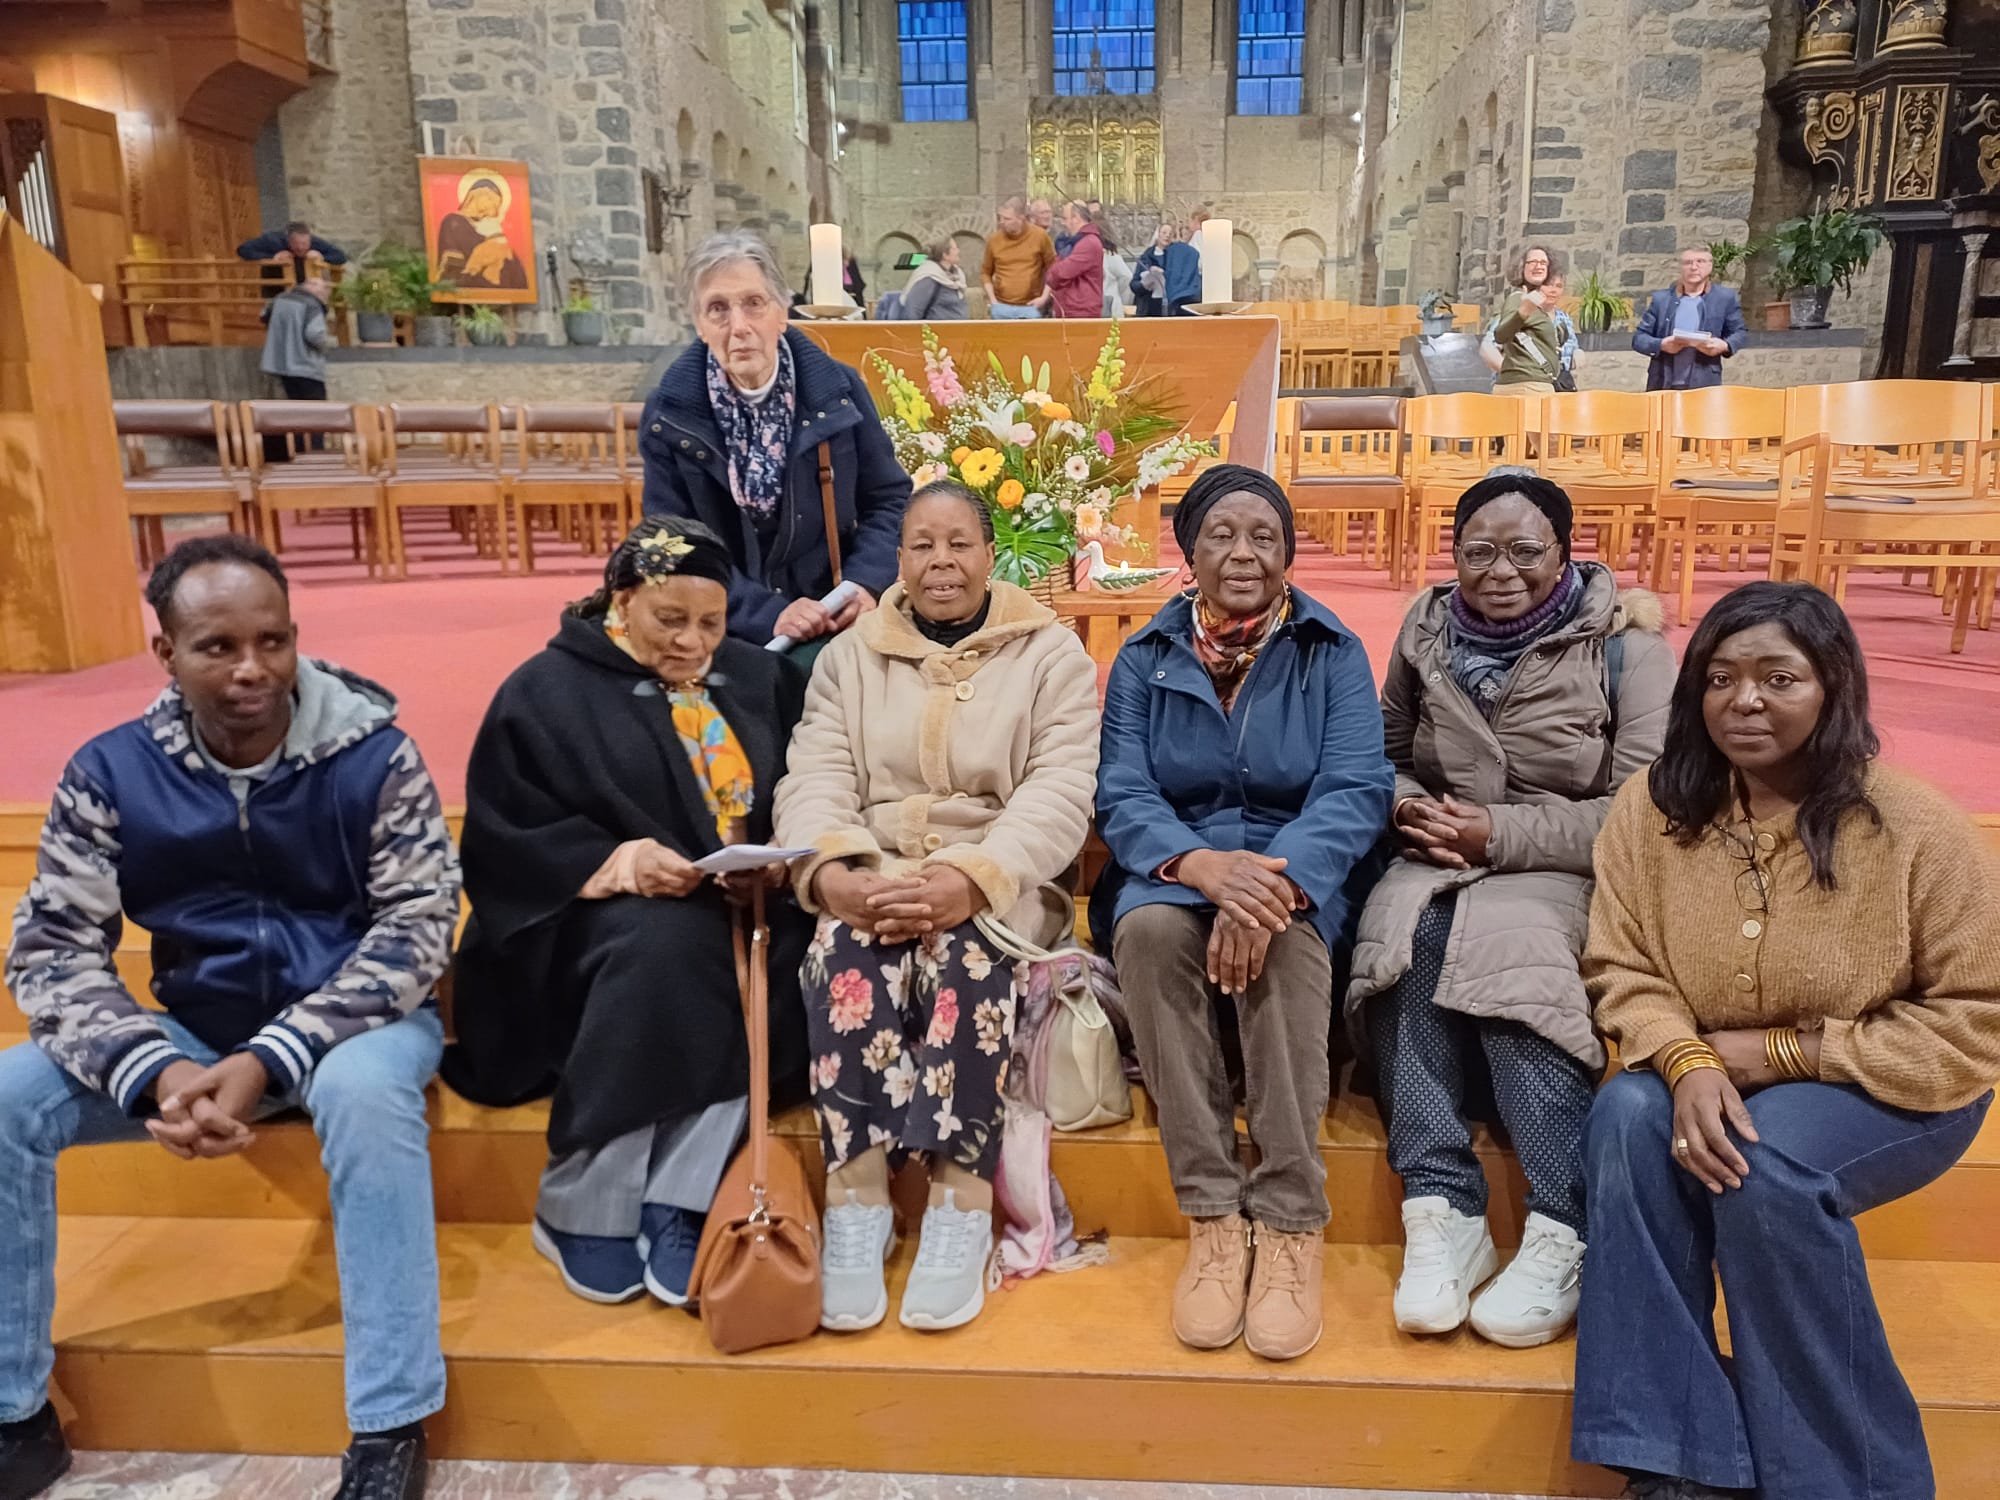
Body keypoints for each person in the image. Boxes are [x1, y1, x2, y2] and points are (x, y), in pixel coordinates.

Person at [0, 535, 459, 1500]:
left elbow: (418, 931)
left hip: (357, 1029)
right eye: (218, 647)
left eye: (274, 641)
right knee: (5, 1097)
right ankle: (14, 1413)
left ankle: (391, 1421)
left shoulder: (375, 753)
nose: (253, 669)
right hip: (191, 1039)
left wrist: (273, 1054)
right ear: (164, 653)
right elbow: (51, 952)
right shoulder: (111, 770)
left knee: (367, 1095)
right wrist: (152, 1069)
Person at [1572, 580, 2000, 1500]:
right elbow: (1621, 964)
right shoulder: (1656, 807)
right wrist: (1683, 1059)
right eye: (1720, 678)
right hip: (1705, 1066)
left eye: (1779, 677)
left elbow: (1977, 1019)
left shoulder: (1915, 827)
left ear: (1834, 685)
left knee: (1767, 1172)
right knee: (1624, 1121)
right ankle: (1674, 1461)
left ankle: (1847, 1479)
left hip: (1896, 1082)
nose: (1745, 700)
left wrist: (1785, 1055)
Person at [443, 517, 811, 1308]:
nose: (692, 642)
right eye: (668, 620)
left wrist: (777, 862)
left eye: (710, 622)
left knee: (797, 957)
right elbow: (508, 836)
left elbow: (807, 781)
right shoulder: (544, 691)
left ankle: (676, 1200)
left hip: (735, 902)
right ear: (621, 598)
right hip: (580, 920)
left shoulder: (758, 676)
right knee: (665, 949)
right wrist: (624, 864)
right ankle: (583, 1202)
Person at [1346, 472, 1673, 1348]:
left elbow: (1642, 804)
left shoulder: (1625, 648)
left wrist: (1501, 833)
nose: (1501, 570)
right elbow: (1384, 752)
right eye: (1479, 551)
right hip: (1440, 849)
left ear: (1565, 551)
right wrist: (1411, 808)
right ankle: (1440, 1206)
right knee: (1399, 942)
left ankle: (1565, 1220)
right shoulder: (1426, 629)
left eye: (1525, 551)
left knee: (1512, 958)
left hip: (1562, 861)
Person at [774, 477, 1100, 1334]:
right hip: (875, 870)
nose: (941, 562)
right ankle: (858, 1198)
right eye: (922, 544)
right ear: (900, 557)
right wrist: (834, 873)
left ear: (992, 554)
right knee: (843, 958)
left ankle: (959, 1204)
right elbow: (814, 774)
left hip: (997, 880)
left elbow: (1062, 791)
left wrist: (974, 877)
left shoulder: (1049, 654)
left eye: (960, 543)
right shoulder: (851, 656)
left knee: (969, 961)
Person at [1094, 464, 1395, 1362]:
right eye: (1222, 533)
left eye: (1264, 536)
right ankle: (1215, 1214)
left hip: (1294, 867)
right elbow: (1121, 791)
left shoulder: (1331, 650)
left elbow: (1354, 787)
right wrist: (1199, 865)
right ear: (1189, 550)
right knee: (1147, 933)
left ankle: (1292, 1220)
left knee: (1293, 952)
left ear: (1288, 554)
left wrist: (1270, 884)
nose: (1243, 553)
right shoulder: (1144, 657)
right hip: (1177, 864)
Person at [639, 230, 909, 648]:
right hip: (724, 626)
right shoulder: (670, 415)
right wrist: (768, 614)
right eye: (718, 309)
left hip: (837, 613)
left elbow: (889, 497)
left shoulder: (837, 391)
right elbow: (672, 544)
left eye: (753, 303)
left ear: (782, 313)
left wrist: (864, 582)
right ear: (699, 324)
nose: (739, 326)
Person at [1632, 244, 1748, 392]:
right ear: (1680, 267)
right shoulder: (1662, 299)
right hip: (1662, 383)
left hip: (1705, 383)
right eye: (1688, 263)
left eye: (1700, 261)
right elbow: (1639, 339)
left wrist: (1724, 346)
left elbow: (1740, 333)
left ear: (1710, 266)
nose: (1694, 267)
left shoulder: (1724, 298)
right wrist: (1661, 344)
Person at [1483, 268, 1577, 391]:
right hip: (1524, 383)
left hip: (1558, 384)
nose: (1553, 290)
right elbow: (1488, 347)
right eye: (1548, 285)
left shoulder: (1565, 319)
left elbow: (1571, 350)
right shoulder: (1520, 311)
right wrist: (1515, 371)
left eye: (1559, 286)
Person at [432, 176, 528, 291]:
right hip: (468, 283)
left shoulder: (489, 227)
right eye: (491, 200)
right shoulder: (453, 221)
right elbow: (452, 263)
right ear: (476, 195)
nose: (494, 209)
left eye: (497, 205)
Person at [1492, 246, 1563, 397]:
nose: (1539, 266)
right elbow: (1500, 335)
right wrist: (1522, 312)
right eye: (1533, 262)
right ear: (1522, 268)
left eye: (1543, 263)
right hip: (1526, 386)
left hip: (1535, 385)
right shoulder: (1518, 298)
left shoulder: (1537, 303)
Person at [981, 196, 1056, 320]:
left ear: (1020, 218)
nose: (1002, 222)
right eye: (1000, 217)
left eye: (1007, 218)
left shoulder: (1040, 236)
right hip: (1001, 306)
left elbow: (1053, 269)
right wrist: (993, 300)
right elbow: (985, 272)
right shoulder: (994, 240)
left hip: (1031, 306)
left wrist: (1044, 297)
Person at [236, 219, 349, 284]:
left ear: (309, 239)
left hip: (306, 287)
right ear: (288, 240)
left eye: (304, 244)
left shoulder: (315, 242)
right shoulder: (272, 240)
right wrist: (273, 257)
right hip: (277, 288)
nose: (301, 248)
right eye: (296, 244)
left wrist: (322, 257)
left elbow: (340, 256)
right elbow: (243, 250)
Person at [1045, 200, 1106, 320]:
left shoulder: (1088, 243)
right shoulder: (1073, 243)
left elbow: (1060, 273)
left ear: (1076, 218)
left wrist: (1053, 271)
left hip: (1081, 312)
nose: (1063, 223)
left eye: (1065, 218)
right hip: (1069, 310)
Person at [901, 237, 969, 321]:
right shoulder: (929, 278)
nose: (958, 251)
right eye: (955, 248)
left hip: (957, 331)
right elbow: (913, 311)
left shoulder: (956, 276)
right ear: (945, 255)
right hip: (936, 332)